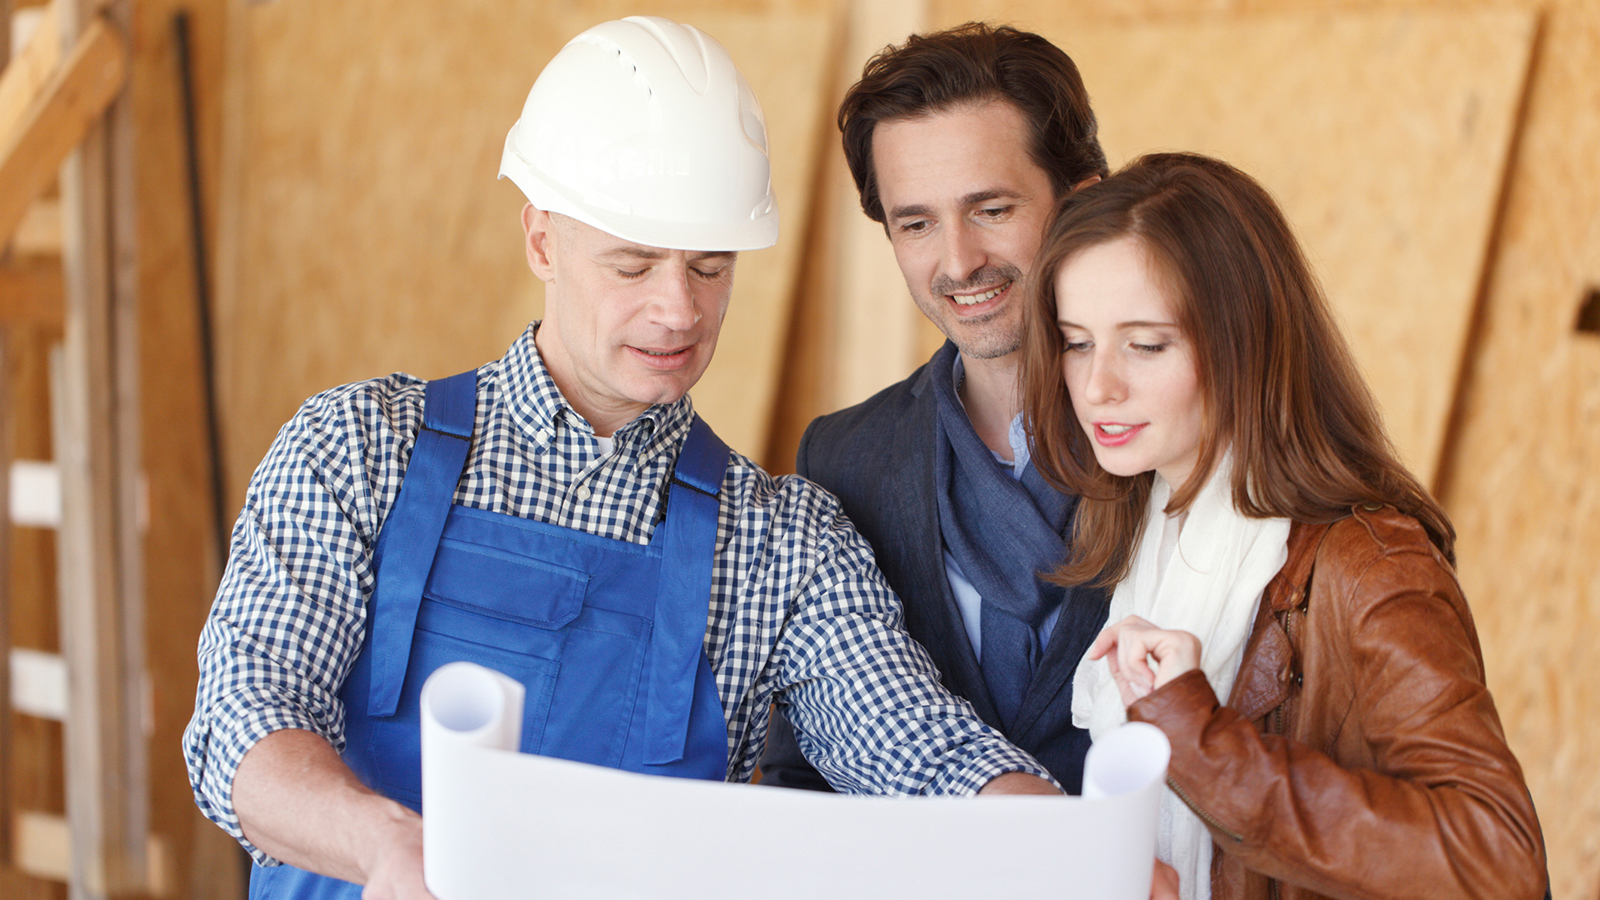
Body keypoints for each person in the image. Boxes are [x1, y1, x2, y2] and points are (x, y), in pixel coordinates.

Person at [182, 17, 1060, 900]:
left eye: (709, 268)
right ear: (541, 243)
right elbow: (243, 716)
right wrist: (385, 848)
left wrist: (1076, 856)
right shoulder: (359, 448)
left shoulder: (778, 541)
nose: (678, 310)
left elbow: (914, 747)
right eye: (633, 266)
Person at [1018, 151, 1547, 900]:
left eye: (1146, 344)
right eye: (1077, 341)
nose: (1099, 385)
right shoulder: (1144, 521)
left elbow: (1498, 860)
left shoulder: (1371, 564)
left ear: (1244, 343)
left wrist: (1198, 737)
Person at [760, 22, 1114, 796]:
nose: (957, 262)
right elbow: (803, 773)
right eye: (915, 223)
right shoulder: (844, 459)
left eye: (990, 209)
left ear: (1082, 205)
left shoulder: (1190, 438)